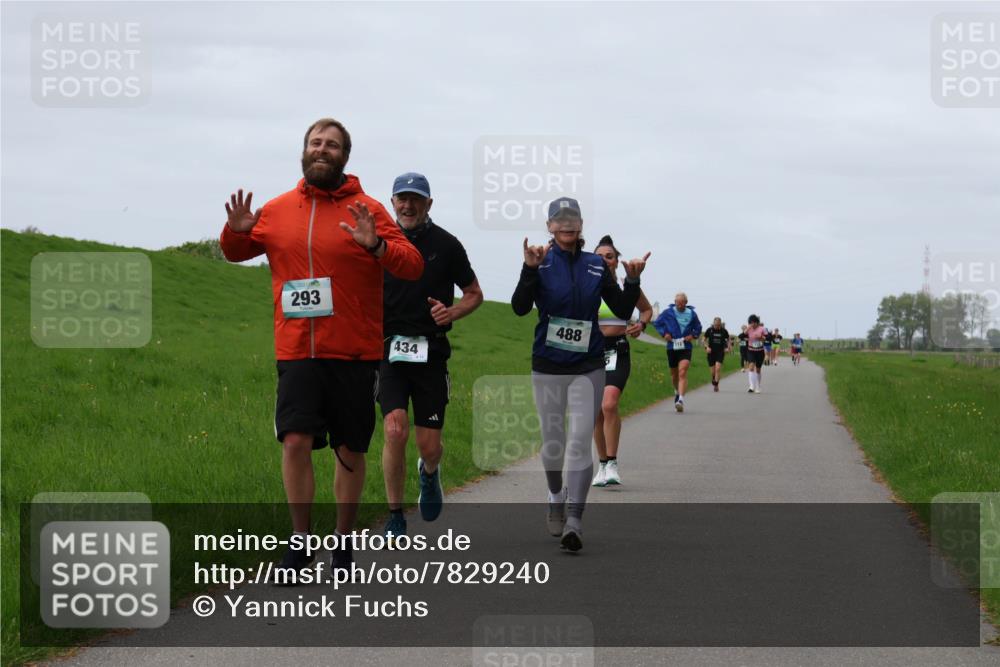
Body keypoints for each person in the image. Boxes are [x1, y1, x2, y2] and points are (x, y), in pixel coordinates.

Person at [219, 118, 424, 579]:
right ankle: (299, 545)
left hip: (353, 351)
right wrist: (235, 231)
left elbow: (411, 265)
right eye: (315, 142)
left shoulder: (368, 209)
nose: (322, 149)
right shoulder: (276, 210)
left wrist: (376, 247)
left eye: (332, 145)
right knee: (294, 441)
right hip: (296, 350)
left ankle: (344, 545)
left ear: (344, 156)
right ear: (304, 151)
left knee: (350, 449)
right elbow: (235, 252)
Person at [511, 198, 648, 552]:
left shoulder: (595, 265)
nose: (567, 224)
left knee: (578, 441)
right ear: (549, 226)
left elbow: (618, 309)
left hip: (588, 364)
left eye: (573, 219)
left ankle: (574, 519)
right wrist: (528, 270)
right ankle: (555, 495)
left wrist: (631, 281)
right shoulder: (540, 262)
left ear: (581, 224)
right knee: (554, 443)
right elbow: (520, 307)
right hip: (548, 364)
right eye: (560, 219)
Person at [378, 173, 483, 545]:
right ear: (392, 202)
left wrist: (453, 313)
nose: (408, 206)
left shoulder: (447, 245)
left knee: (428, 445)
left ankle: (429, 471)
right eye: (401, 199)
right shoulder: (378, 243)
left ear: (429, 205)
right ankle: (394, 516)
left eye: (416, 199)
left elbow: (474, 293)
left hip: (432, 352)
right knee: (394, 430)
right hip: (389, 350)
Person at [590, 235, 653, 488]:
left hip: (617, 350)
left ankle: (613, 462)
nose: (604, 260)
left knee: (609, 404)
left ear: (617, 262)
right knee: (595, 413)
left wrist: (642, 324)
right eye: (598, 257)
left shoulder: (625, 289)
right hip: (591, 352)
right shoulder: (587, 287)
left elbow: (646, 309)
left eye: (609, 256)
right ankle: (602, 464)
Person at [652, 293, 702, 412]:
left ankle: (680, 399)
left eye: (681, 303)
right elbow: (657, 323)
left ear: (686, 302)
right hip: (672, 346)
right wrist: (665, 334)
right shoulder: (668, 312)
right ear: (674, 302)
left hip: (686, 346)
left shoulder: (692, 314)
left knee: (682, 372)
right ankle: (676, 391)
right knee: (674, 375)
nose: (679, 305)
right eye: (677, 303)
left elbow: (698, 327)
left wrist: (693, 335)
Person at [702, 317, 730, 392]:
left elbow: (728, 340)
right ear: (713, 323)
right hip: (711, 352)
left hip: (720, 352)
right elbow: (703, 340)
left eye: (718, 325)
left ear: (720, 324)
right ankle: (714, 378)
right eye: (715, 325)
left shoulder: (724, 331)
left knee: (718, 368)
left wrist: (728, 347)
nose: (717, 326)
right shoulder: (709, 330)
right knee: (713, 371)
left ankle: (716, 384)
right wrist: (706, 347)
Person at [745, 314, 767, 393]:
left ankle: (758, 386)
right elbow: (742, 336)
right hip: (751, 350)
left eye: (754, 323)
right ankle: (751, 386)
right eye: (751, 323)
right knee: (751, 367)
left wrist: (761, 338)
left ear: (757, 322)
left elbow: (768, 338)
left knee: (758, 370)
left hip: (760, 351)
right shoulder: (749, 329)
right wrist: (747, 329)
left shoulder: (762, 329)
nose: (753, 324)